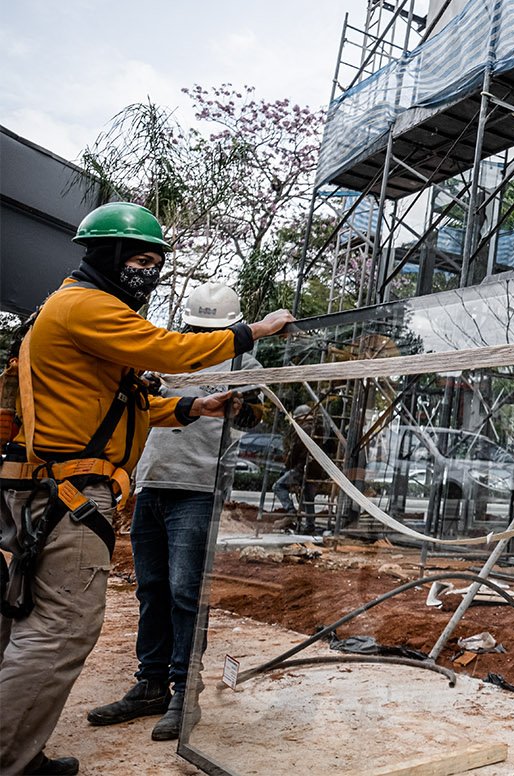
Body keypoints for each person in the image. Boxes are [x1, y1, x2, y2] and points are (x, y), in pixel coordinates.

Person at [0, 202, 294, 776]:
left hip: (66, 489)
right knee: (59, 631)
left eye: (155, 262)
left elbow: (122, 403)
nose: (148, 272)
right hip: (71, 491)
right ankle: (11, 758)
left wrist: (188, 406)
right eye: (138, 259)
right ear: (105, 256)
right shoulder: (88, 306)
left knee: (32, 620)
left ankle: (27, 746)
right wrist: (252, 330)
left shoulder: (72, 308)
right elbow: (165, 351)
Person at [85, 283, 266, 742]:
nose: (200, 333)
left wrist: (240, 406)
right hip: (153, 483)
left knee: (186, 592)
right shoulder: (171, 354)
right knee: (151, 589)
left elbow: (256, 418)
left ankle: (184, 692)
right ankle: (150, 683)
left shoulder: (245, 363)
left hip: (199, 489)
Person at [273, 404, 328, 534]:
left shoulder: (303, 430)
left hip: (302, 468)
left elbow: (296, 451)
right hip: (316, 469)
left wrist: (288, 465)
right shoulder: (320, 429)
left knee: (278, 486)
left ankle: (291, 511)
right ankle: (310, 526)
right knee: (308, 497)